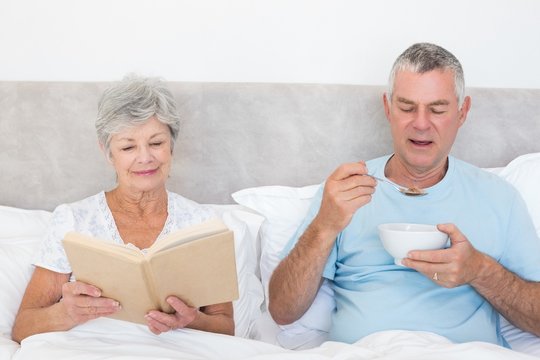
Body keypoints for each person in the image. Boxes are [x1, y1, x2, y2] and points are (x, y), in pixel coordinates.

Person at [268, 43, 540, 347]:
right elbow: (282, 311)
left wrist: (481, 272)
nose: (421, 123)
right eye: (407, 107)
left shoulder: (499, 197)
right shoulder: (344, 191)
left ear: (462, 112)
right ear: (387, 107)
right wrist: (324, 226)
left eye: (437, 109)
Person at [12, 75, 234, 343]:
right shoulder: (74, 220)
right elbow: (23, 327)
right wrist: (67, 312)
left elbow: (226, 327)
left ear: (171, 146)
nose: (145, 157)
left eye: (156, 143)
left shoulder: (203, 223)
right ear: (108, 153)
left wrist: (191, 320)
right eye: (128, 146)